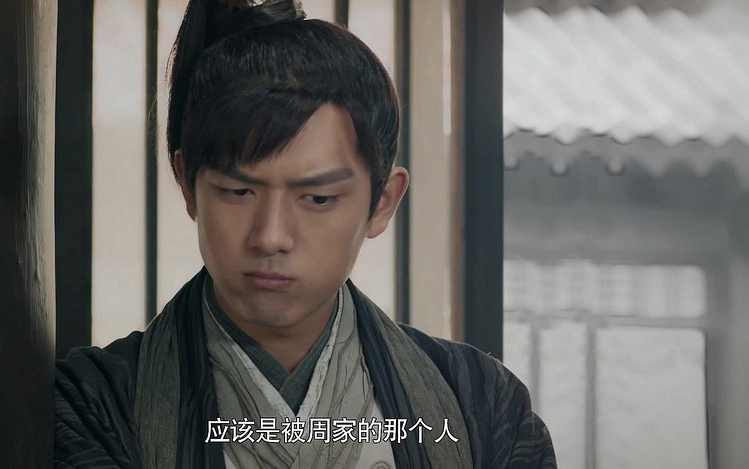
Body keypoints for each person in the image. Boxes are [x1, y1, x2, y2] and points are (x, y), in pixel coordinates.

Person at [54, 1, 556, 468]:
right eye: (237, 191)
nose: (270, 236)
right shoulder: (93, 405)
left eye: (317, 199)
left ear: (383, 202)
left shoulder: (483, 407)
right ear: (188, 185)